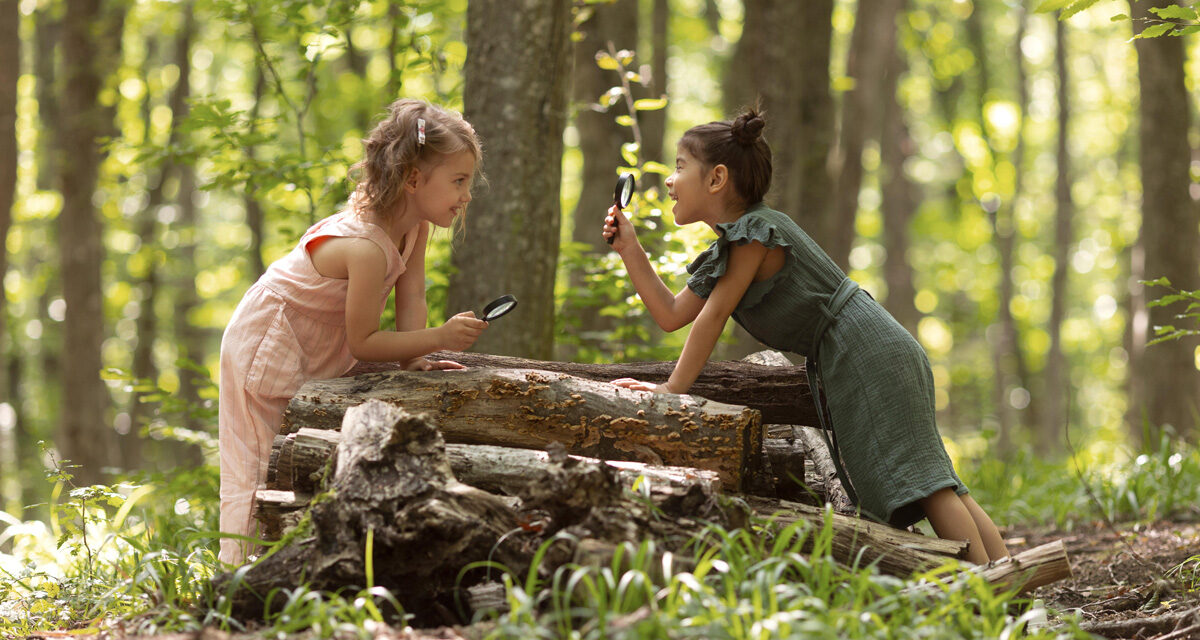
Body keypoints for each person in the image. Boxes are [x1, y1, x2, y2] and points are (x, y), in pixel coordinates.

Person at [602, 108, 1009, 565]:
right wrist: (630, 248)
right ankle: (1015, 596)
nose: (671, 181)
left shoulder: (755, 233)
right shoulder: (733, 248)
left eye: (679, 167)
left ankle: (987, 601)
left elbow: (711, 318)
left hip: (866, 350)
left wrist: (671, 391)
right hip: (872, 346)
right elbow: (672, 314)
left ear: (716, 179)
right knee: (937, 480)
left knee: (926, 484)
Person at [218, 99, 489, 565]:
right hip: (267, 339)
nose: (466, 195)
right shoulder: (363, 246)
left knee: (298, 456)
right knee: (255, 464)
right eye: (458, 181)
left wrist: (413, 357)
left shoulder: (413, 229)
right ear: (413, 179)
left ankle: (294, 570)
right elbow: (365, 341)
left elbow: (412, 297)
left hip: (316, 342)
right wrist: (440, 337)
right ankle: (234, 578)